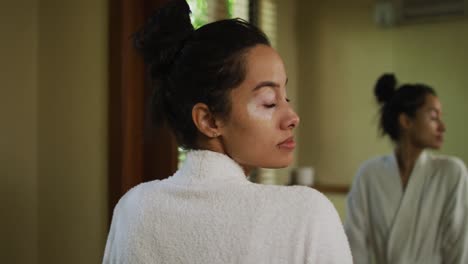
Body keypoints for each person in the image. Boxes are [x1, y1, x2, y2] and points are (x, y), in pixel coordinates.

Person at [102, 0, 352, 263]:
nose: (292, 117)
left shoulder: (134, 208)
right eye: (269, 102)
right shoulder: (306, 213)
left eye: (285, 98)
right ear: (208, 120)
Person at [345, 73, 468, 263]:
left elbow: (458, 245)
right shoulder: (369, 175)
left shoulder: (452, 173)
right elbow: (355, 245)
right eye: (433, 117)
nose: (442, 127)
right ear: (406, 121)